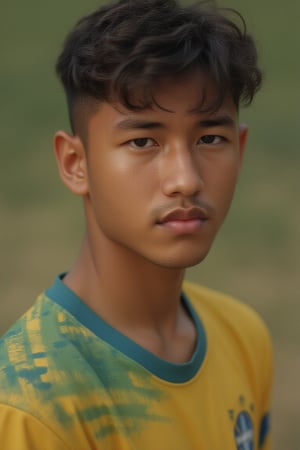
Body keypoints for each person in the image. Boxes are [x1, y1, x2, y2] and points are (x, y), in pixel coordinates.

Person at [0, 0, 273, 449]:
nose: (186, 179)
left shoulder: (244, 337)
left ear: (239, 150)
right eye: (143, 140)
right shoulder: (29, 407)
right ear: (75, 163)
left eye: (210, 138)